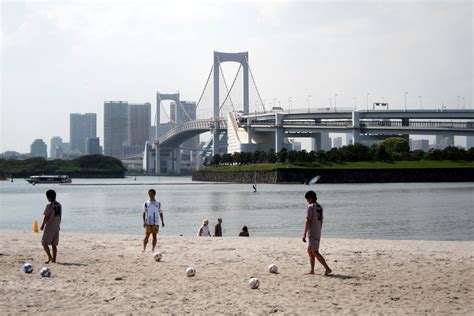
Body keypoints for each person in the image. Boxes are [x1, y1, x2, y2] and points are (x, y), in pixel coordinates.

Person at [302, 190, 332, 276]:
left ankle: (327, 268)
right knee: (310, 251)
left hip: (312, 232)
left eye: (307, 199)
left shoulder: (310, 207)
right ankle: (312, 270)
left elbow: (308, 220)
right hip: (318, 231)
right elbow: (321, 220)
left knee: (314, 251)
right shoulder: (320, 206)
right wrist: (319, 230)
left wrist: (304, 234)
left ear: (310, 198)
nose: (307, 201)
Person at [40, 189, 62, 264]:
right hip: (57, 226)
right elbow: (60, 216)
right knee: (54, 244)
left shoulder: (49, 205)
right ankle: (54, 259)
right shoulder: (59, 205)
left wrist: (43, 225)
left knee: (44, 242)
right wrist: (58, 225)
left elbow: (46, 217)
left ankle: (50, 257)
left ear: (48, 197)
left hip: (50, 226)